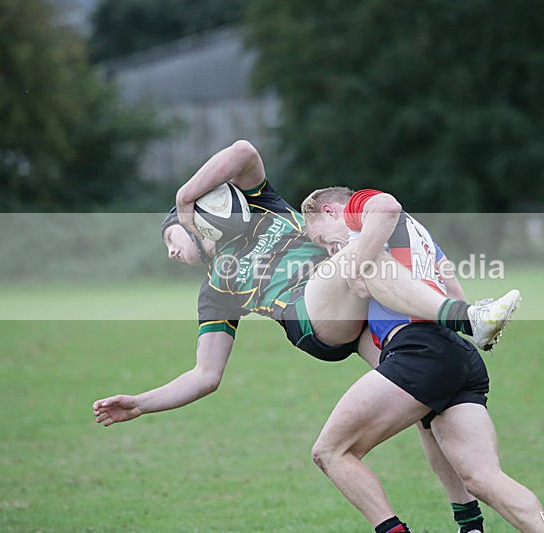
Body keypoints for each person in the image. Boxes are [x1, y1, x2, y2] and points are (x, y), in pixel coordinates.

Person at [92, 140, 521, 531]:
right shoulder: (216, 291)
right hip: (315, 318)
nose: (170, 249)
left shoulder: (265, 206)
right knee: (361, 253)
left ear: (204, 219)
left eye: (173, 236)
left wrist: (184, 197)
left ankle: (469, 521)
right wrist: (140, 404)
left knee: (431, 404)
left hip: (360, 317)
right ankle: (466, 318)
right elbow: (206, 375)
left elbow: (243, 151)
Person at [301, 187, 544, 533]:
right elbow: (453, 290)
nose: (330, 250)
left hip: (418, 351)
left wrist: (355, 267)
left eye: (323, 239)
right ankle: (478, 527)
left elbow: (387, 205)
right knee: (483, 477)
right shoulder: (418, 232)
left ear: (330, 211)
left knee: (330, 451)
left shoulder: (358, 213)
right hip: (456, 354)